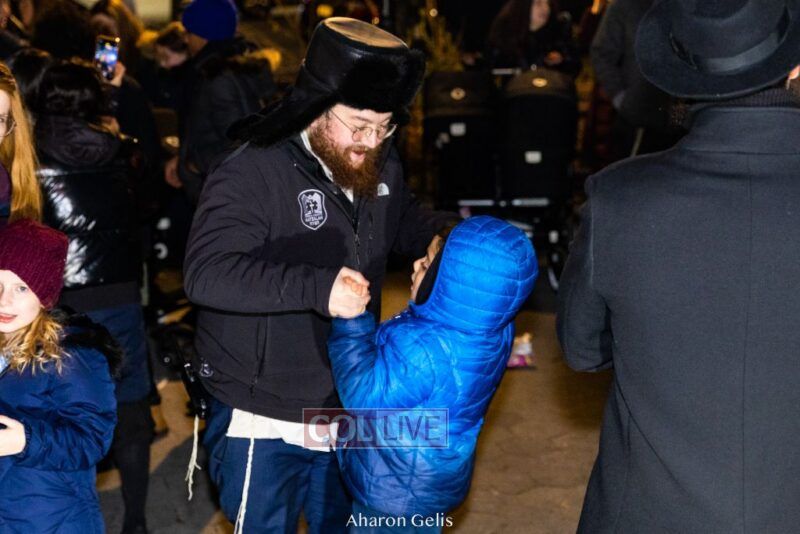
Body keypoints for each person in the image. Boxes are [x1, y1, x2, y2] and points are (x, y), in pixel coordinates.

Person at [184, 17, 451, 533]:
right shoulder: (251, 168)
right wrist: (318, 287)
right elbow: (206, 273)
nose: (371, 141)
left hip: (344, 396)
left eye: (385, 127)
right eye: (359, 124)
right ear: (316, 105)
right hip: (261, 409)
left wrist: (441, 237)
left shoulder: (378, 159)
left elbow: (401, 220)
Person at [557, 1, 800, 532]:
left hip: (650, 514)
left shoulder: (619, 199)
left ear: (683, 75)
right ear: (795, 67)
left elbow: (581, 349)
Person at [327, 216, 538, 532]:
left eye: (425, 264)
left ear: (450, 287)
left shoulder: (424, 346)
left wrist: (352, 322)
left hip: (393, 489)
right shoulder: (495, 332)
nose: (415, 265)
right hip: (433, 481)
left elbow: (362, 397)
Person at [33, 60, 154, 534]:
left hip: (55, 293)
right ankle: (136, 520)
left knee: (57, 407)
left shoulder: (25, 155)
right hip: (120, 290)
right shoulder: (123, 151)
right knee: (130, 404)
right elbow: (147, 207)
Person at [0, 219, 117, 533]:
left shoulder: (71, 355)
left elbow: (92, 438)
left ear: (44, 295)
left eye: (21, 288)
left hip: (53, 519)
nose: (4, 300)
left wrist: (26, 440)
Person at [164, 0, 275, 203]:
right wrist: (183, 159)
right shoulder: (223, 68)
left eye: (189, 33)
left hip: (223, 192)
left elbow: (238, 141)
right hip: (219, 186)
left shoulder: (219, 78)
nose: (186, 40)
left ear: (203, 35)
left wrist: (193, 165)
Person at [590, 0, 682, 159]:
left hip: (680, 121)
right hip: (637, 118)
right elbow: (601, 53)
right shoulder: (624, 7)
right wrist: (620, 97)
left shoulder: (687, 7)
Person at [487, 0, 580, 76]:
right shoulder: (504, 35)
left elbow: (574, 65)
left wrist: (562, 59)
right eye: (538, 3)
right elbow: (492, 71)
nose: (545, 8)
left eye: (548, 3)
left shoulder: (557, 32)